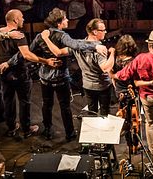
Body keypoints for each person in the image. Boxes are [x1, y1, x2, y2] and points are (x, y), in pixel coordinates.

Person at [32, 9, 106, 141]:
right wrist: (94, 46)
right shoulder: (62, 35)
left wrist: (44, 61)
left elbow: (29, 53)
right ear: (59, 23)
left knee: (46, 105)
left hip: (44, 77)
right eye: (65, 19)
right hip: (60, 77)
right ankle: (70, 133)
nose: (67, 20)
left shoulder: (40, 35)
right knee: (65, 106)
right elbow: (75, 45)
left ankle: (48, 131)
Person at [0, 9, 56, 137]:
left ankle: (11, 127)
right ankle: (26, 129)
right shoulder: (19, 35)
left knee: (8, 100)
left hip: (3, 72)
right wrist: (45, 61)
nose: (23, 19)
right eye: (21, 17)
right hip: (19, 72)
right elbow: (26, 55)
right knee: (24, 100)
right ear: (15, 20)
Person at [40, 18, 115, 115]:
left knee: (92, 114)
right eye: (103, 30)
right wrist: (112, 53)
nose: (105, 32)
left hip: (87, 85)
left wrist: (46, 39)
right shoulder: (100, 49)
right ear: (95, 32)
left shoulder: (78, 45)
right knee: (104, 114)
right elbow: (106, 68)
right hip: (102, 86)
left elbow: (58, 52)